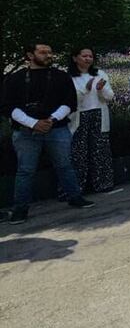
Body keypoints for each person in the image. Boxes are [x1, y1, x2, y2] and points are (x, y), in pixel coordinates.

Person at [1, 43, 93, 224]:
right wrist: (33, 123)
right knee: (25, 171)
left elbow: (69, 103)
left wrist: (52, 120)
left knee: (65, 165)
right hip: (25, 130)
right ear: (30, 54)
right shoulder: (15, 79)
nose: (48, 55)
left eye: (50, 52)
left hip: (56, 128)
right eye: (43, 52)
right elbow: (8, 107)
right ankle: (20, 208)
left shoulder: (60, 77)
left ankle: (75, 197)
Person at [68, 47, 115, 194]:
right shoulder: (69, 76)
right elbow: (69, 99)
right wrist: (85, 89)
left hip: (98, 115)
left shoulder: (100, 73)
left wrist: (101, 89)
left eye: (90, 56)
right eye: (84, 56)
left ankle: (103, 184)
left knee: (100, 151)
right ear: (75, 58)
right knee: (78, 153)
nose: (88, 59)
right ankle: (76, 188)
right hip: (79, 117)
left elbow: (109, 96)